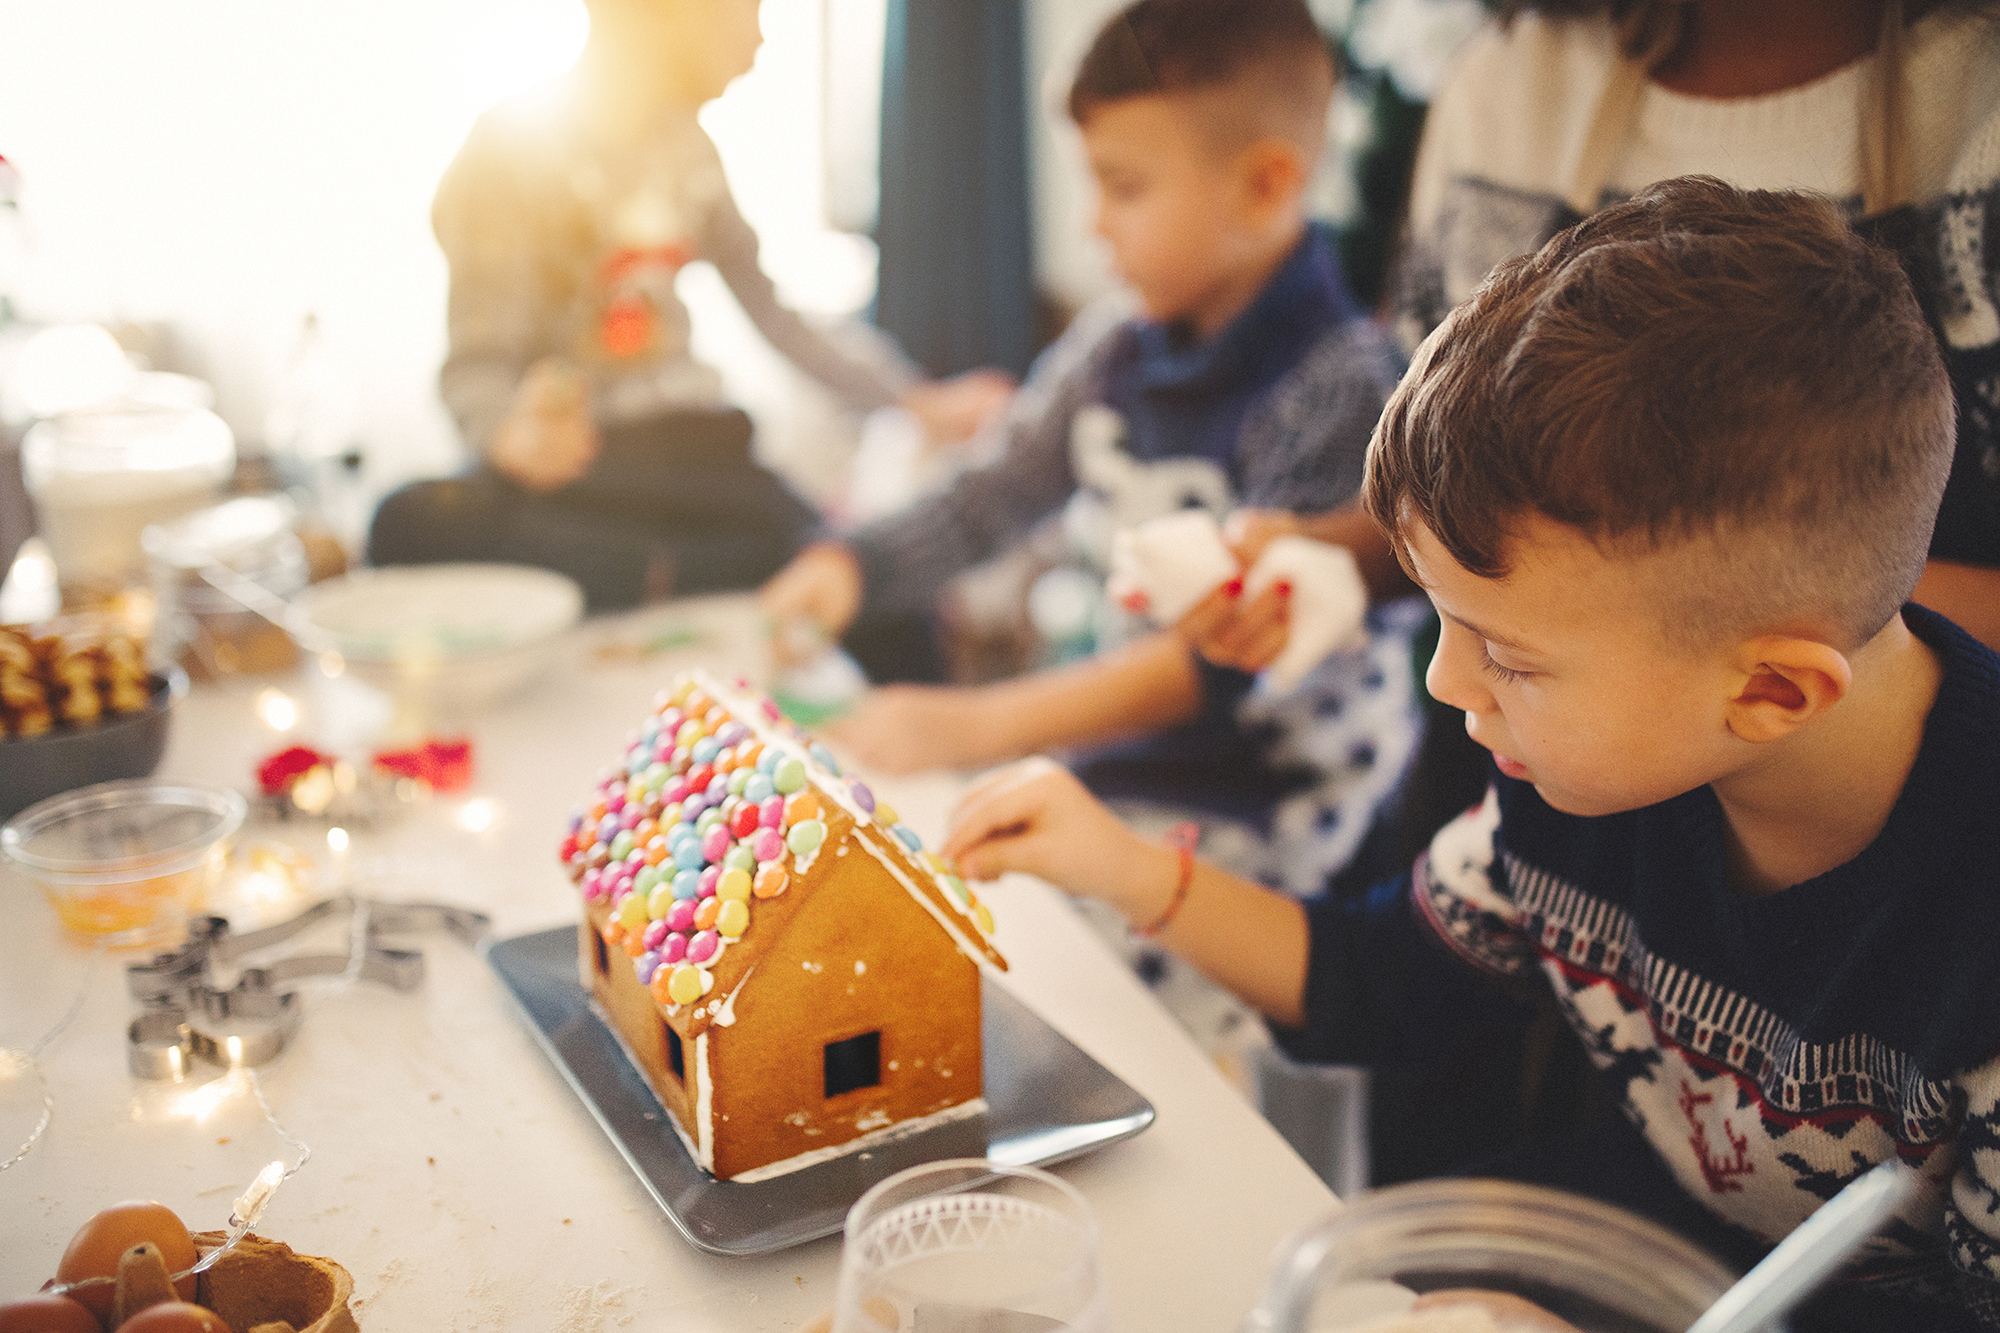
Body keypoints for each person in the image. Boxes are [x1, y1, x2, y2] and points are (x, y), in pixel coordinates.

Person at [944, 179, 2000, 1331]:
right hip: (1631, 1247)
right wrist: (1119, 863)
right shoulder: (1590, 774)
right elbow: (1371, 980)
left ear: (1770, 691)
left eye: (1506, 654)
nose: (1446, 684)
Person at [762, 0, 1418, 906]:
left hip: (1273, 816)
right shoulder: (1114, 346)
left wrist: (975, 725)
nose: (1092, 225)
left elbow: (1221, 665)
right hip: (1124, 770)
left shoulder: (1344, 388)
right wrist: (851, 563)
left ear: (1266, 186)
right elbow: (992, 494)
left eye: (1124, 186)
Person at [1189, 0, 2000, 670]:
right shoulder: (1509, 83)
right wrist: (1335, 555)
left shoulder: (1979, 95)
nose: (1446, 684)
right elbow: (1464, 482)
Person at [368, 0, 1011, 628]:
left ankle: (654, 574)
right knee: (408, 522)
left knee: (873, 585)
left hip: (699, 457)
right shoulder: (507, 152)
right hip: (582, 470)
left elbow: (779, 318)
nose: (759, 39)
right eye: (749, 6)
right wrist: (509, 435)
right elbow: (476, 369)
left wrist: (914, 401)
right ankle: (678, 572)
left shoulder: (691, 153)